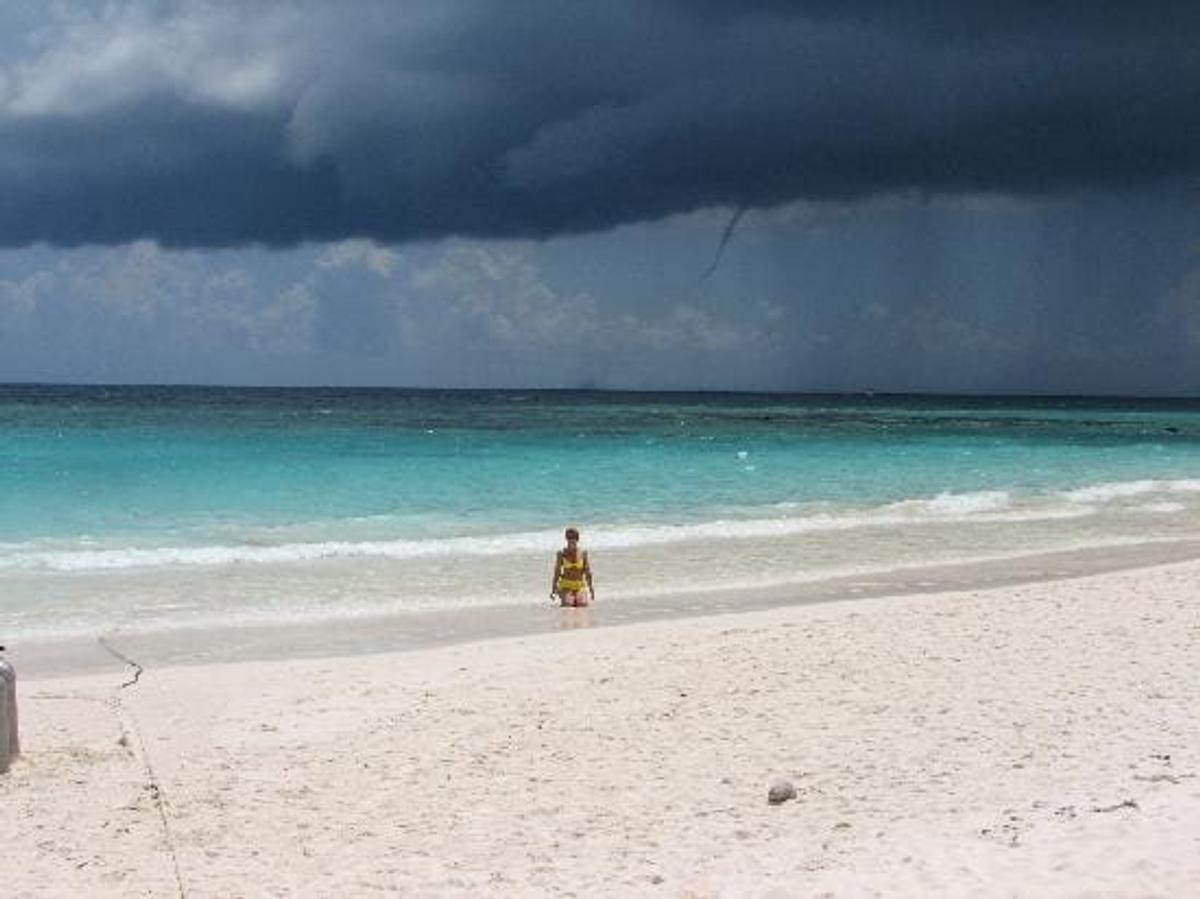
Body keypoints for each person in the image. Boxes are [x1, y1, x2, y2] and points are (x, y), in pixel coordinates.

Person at [550, 526, 594, 607]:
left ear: (577, 539)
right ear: (566, 539)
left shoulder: (583, 553)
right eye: (569, 537)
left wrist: (591, 590)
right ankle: (562, 594)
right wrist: (553, 589)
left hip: (579, 585)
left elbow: (588, 572)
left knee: (582, 604)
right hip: (566, 586)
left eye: (574, 537)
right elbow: (557, 572)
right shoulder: (561, 554)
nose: (571, 540)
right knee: (568, 604)